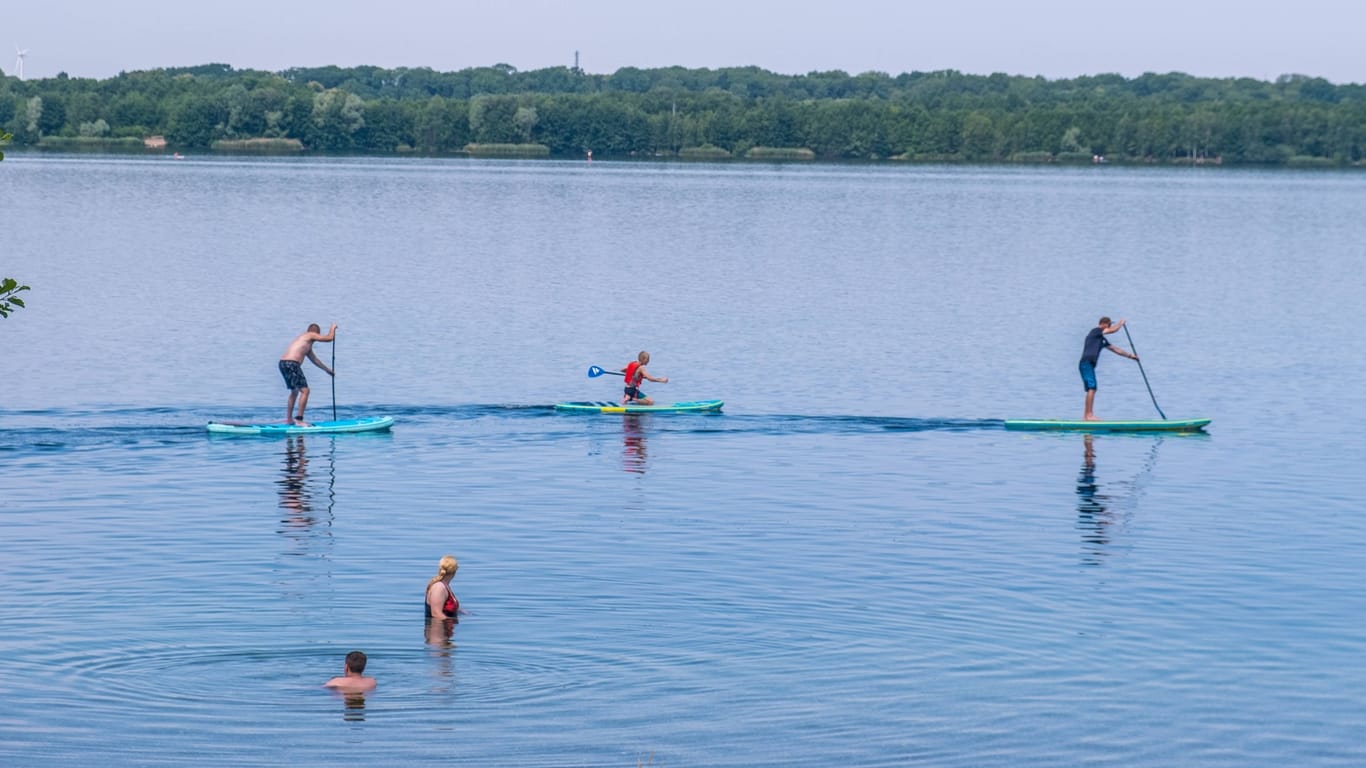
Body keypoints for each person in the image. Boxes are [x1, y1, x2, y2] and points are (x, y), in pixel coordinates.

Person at [1080, 316, 1138, 420]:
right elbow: (1112, 330)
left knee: (1091, 388)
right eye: (1109, 325)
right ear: (1104, 324)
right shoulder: (1095, 331)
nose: (1109, 327)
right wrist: (1120, 323)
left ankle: (1086, 416)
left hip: (1088, 365)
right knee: (1092, 388)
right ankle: (1089, 415)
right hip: (1086, 363)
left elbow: (1116, 349)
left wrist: (1130, 356)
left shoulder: (1101, 339)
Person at [279, 323, 336, 425]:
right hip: (292, 364)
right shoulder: (309, 334)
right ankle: (299, 420)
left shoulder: (306, 345)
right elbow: (329, 338)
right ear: (316, 333)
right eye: (318, 335)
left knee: (294, 391)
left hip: (283, 363)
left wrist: (328, 370)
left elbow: (315, 360)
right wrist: (333, 328)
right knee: (305, 391)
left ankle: (289, 419)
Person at [425, 554, 461, 620]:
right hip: (438, 629)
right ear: (455, 571)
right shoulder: (439, 588)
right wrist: (454, 620)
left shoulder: (445, 586)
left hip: (447, 629)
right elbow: (436, 614)